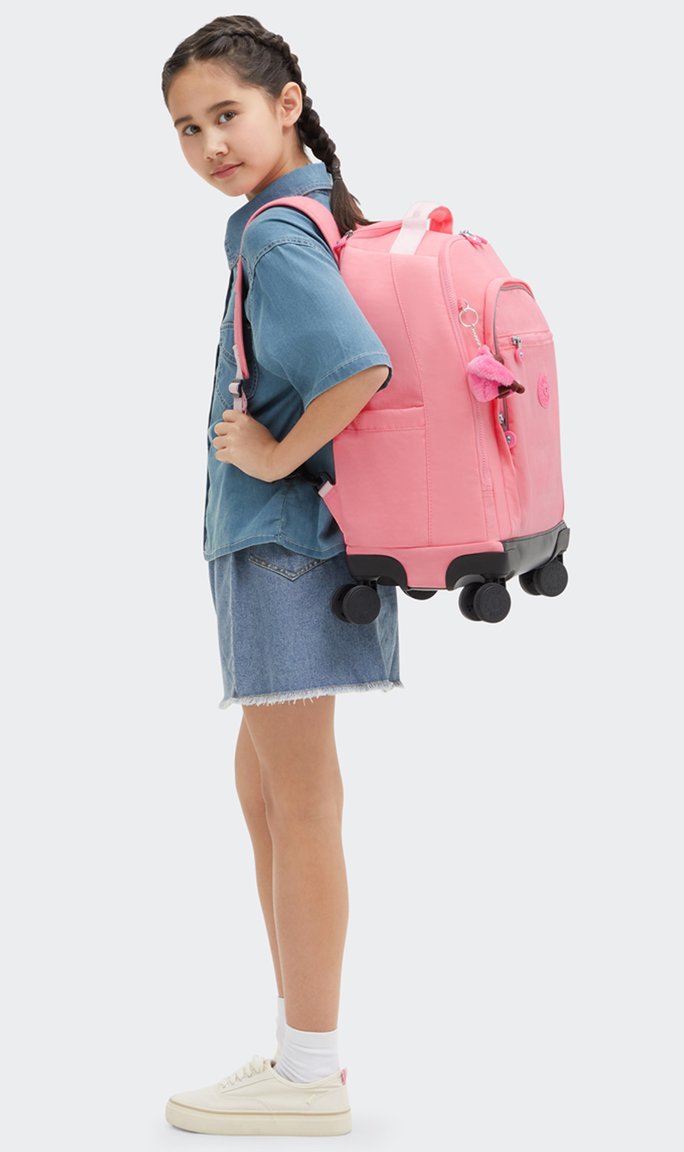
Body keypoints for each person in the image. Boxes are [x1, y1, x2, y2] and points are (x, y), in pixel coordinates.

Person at [160, 14, 402, 1137]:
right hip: (278, 551)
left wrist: (269, 455)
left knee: (298, 806)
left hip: (286, 550)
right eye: (187, 128)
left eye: (228, 113)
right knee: (266, 794)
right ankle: (298, 1054)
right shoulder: (289, 219)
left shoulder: (275, 236)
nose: (211, 143)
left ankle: (308, 1074)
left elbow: (358, 367)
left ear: (287, 104)